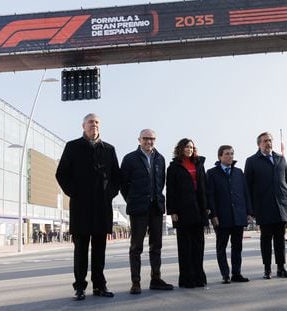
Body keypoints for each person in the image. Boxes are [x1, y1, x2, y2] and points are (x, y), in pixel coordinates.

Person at [56, 113, 120, 300]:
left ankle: (100, 286)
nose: (94, 125)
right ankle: (80, 287)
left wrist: (109, 194)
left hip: (102, 207)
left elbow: (117, 177)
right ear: (83, 126)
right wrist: (75, 192)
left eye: (97, 122)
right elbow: (61, 174)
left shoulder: (109, 149)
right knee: (81, 250)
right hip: (80, 207)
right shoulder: (72, 147)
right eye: (91, 122)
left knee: (100, 250)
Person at [120, 129, 174, 295]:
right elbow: (123, 184)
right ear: (139, 139)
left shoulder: (160, 159)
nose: (149, 142)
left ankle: (156, 279)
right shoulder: (130, 158)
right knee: (136, 246)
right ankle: (135, 282)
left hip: (156, 208)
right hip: (138, 208)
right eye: (146, 139)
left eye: (152, 139)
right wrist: (132, 199)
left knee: (156, 245)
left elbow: (161, 183)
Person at [244, 132, 287, 279]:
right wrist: (251, 209)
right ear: (259, 144)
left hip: (281, 207)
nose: (268, 143)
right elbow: (248, 187)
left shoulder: (280, 159)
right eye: (265, 141)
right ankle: (267, 269)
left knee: (280, 239)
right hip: (263, 207)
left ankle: (281, 268)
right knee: (266, 239)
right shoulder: (252, 161)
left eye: (270, 140)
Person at [206, 145, 253, 284]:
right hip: (221, 217)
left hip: (238, 215)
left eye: (232, 154)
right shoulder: (212, 173)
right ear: (220, 156)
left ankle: (236, 273)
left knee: (237, 246)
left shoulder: (239, 172)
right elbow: (210, 196)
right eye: (227, 154)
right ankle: (225, 274)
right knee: (221, 246)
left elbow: (246, 193)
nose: (230, 156)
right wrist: (213, 215)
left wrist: (249, 212)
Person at [166, 138, 208, 288]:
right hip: (183, 211)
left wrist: (207, 207)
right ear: (180, 149)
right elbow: (170, 190)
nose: (189, 149)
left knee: (198, 246)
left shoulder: (199, 164)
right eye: (186, 147)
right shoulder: (173, 167)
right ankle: (187, 279)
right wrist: (172, 211)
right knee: (185, 247)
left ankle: (199, 277)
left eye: (191, 147)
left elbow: (205, 187)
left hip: (199, 210)